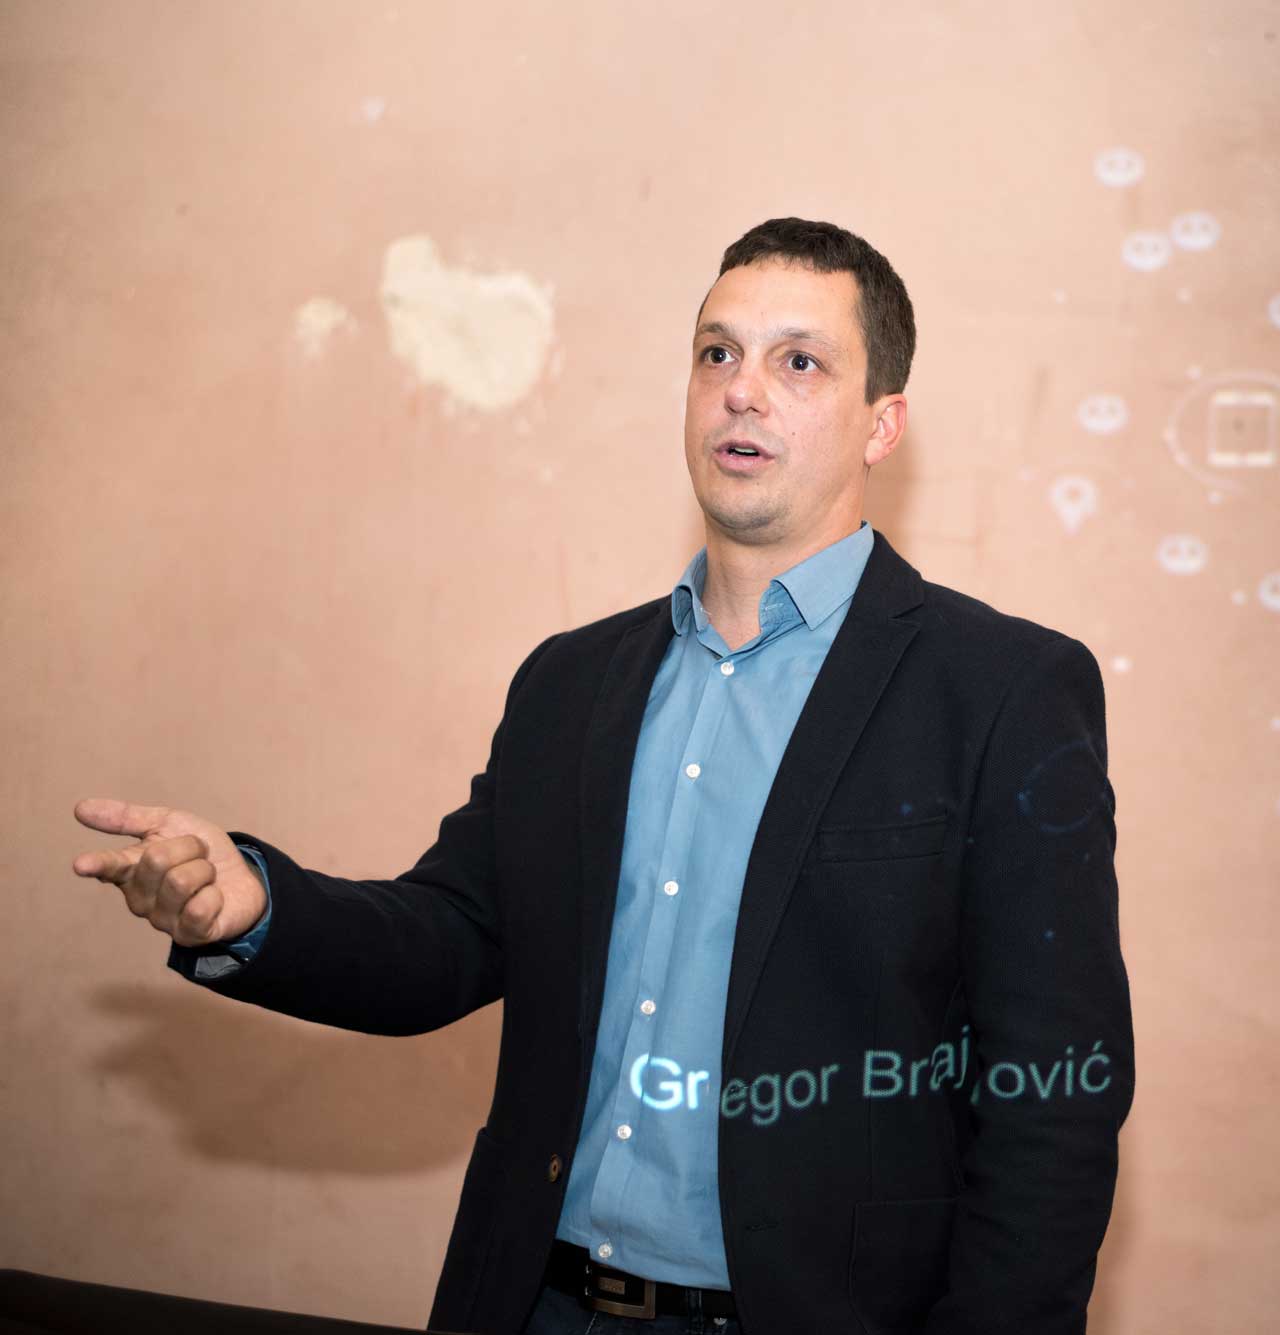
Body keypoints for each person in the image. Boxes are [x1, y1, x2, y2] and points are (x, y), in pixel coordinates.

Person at [71, 218, 1135, 1335]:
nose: (741, 391)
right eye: (716, 353)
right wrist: (254, 907)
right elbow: (450, 937)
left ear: (882, 424)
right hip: (536, 1302)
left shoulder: (1002, 691)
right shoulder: (571, 683)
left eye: (798, 361)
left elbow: (1053, 1101)